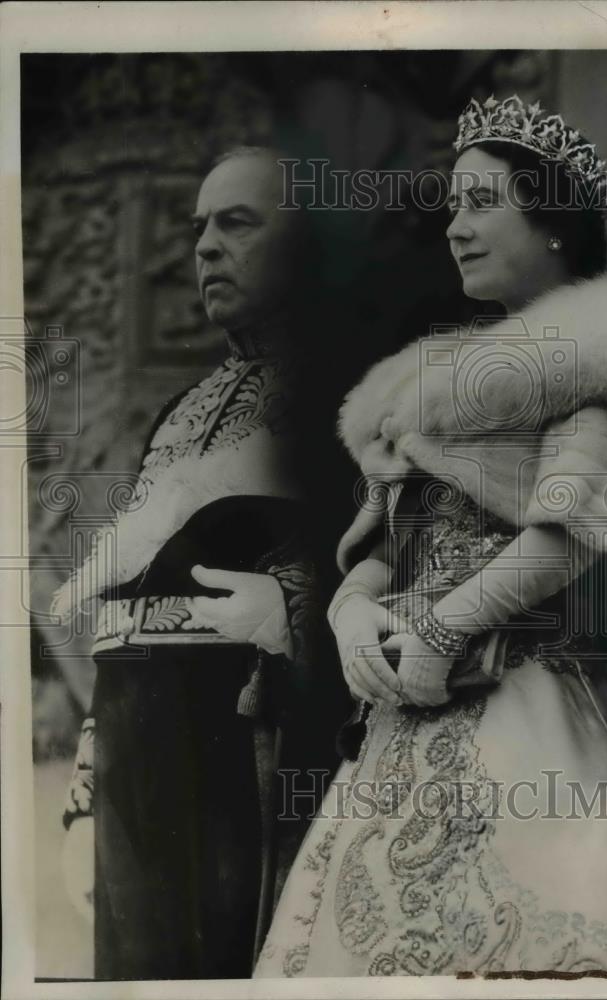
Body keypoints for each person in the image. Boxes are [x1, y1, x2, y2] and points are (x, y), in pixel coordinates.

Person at [254, 95, 607, 976]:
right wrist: (351, 617)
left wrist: (443, 626)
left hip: (522, 704)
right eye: (449, 207)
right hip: (399, 716)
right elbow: (385, 546)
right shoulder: (428, 384)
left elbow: (576, 531)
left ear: (550, 218)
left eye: (481, 202)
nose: (455, 228)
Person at [57, 145, 347, 979]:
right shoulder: (181, 411)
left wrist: (290, 610)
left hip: (257, 747)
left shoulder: (353, 395)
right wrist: (88, 775)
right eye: (197, 229)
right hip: (137, 751)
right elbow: (123, 594)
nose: (204, 247)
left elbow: (395, 566)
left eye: (237, 223)